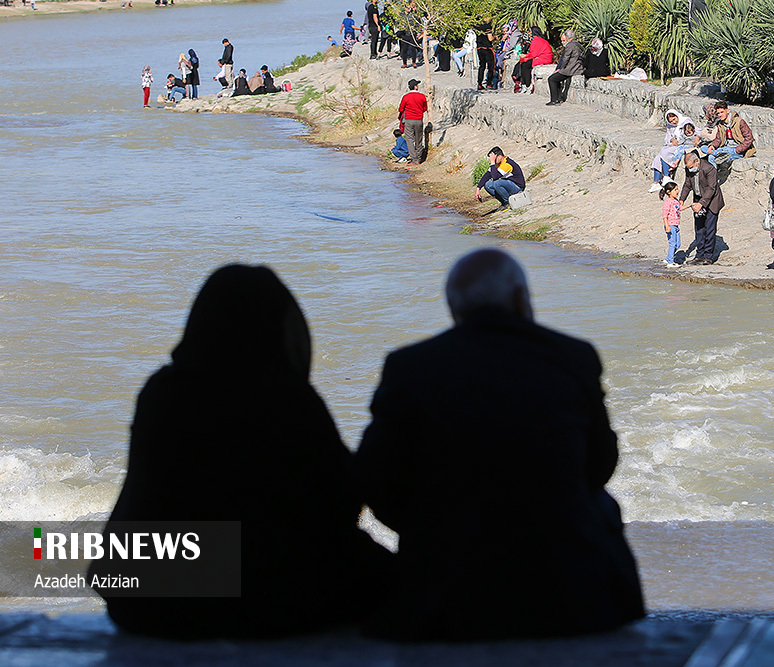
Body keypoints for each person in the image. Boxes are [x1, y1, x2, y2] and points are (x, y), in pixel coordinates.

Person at [355, 248, 644, 641]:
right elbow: (600, 465)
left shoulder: (410, 367)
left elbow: (376, 478)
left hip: (448, 595)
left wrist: (430, 527)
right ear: (521, 299)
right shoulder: (572, 357)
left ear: (455, 310)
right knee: (599, 503)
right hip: (566, 592)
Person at [91, 264, 392, 639]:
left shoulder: (162, 392)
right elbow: (340, 500)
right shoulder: (286, 400)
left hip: (142, 601)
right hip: (249, 605)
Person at [679, 151, 724, 265]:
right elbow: (687, 185)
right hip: (698, 198)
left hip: (712, 201)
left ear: (697, 161)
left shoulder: (709, 169)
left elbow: (711, 188)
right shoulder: (689, 169)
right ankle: (699, 255)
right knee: (699, 228)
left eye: (691, 167)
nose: (690, 169)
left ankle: (708, 256)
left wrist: (701, 203)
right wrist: (681, 199)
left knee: (709, 228)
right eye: (688, 168)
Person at [649, 109, 694, 191]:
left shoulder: (686, 121)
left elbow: (693, 132)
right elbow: (668, 138)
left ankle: (666, 176)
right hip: (675, 144)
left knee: (665, 152)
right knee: (658, 157)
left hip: (684, 144)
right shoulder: (670, 127)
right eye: (671, 121)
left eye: (674, 119)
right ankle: (656, 182)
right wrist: (671, 140)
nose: (674, 122)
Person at [475, 146, 525, 211]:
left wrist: (492, 163)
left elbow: (495, 177)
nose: (494, 161)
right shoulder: (497, 164)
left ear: (500, 156)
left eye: (494, 159)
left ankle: (508, 202)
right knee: (488, 185)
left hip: (517, 187)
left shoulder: (507, 164)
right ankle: (504, 203)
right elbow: (487, 175)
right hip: (508, 185)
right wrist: (478, 188)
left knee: (497, 183)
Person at [546, 30, 584, 105]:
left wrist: (560, 69)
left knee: (552, 79)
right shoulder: (578, 44)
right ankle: (558, 97)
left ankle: (554, 99)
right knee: (556, 79)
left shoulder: (570, 45)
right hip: (577, 68)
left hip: (570, 69)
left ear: (567, 37)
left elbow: (565, 59)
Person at [512, 27, 553, 94]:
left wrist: (525, 56)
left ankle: (528, 85)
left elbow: (534, 53)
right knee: (523, 64)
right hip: (540, 57)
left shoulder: (537, 40)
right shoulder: (536, 40)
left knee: (526, 65)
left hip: (544, 58)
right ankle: (524, 84)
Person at [398, 78, 427, 164]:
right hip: (419, 120)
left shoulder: (406, 97)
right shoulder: (422, 96)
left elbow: (401, 109)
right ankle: (419, 158)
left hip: (409, 120)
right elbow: (425, 108)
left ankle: (414, 159)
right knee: (419, 139)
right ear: (415, 87)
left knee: (410, 139)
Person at [659, 180, 687, 266]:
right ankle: (670, 262)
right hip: (670, 225)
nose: (677, 191)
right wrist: (667, 226)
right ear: (668, 192)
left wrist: (689, 205)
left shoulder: (676, 201)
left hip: (676, 225)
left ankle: (668, 259)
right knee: (672, 243)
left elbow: (680, 208)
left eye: (677, 189)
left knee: (677, 244)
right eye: (675, 190)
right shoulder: (667, 202)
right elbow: (665, 215)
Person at [476, 26, 497, 91]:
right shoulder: (488, 26)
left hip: (479, 48)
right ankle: (489, 83)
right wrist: (495, 37)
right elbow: (490, 38)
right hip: (487, 48)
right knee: (491, 66)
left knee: (482, 66)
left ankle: (479, 83)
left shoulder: (477, 26)